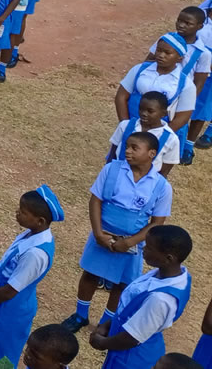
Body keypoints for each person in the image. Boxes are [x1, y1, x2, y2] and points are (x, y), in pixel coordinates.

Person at [61, 132, 172, 333]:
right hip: (103, 233)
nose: (127, 151)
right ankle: (80, 315)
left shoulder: (162, 186)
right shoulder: (111, 169)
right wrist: (98, 234)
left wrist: (129, 242)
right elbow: (95, 200)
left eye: (134, 148)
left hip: (133, 242)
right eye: (127, 146)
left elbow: (157, 222)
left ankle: (106, 322)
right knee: (91, 273)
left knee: (122, 282)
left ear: (151, 153)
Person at [0, 186, 64, 367]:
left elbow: (10, 290)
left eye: (23, 212)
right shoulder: (30, 234)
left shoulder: (36, 254)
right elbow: (5, 266)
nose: (17, 213)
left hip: (10, 311)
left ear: (40, 221)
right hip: (0, 304)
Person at [86, 225, 193, 369]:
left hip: (130, 359)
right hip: (125, 350)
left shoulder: (160, 300)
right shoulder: (174, 275)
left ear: (168, 258)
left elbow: (132, 337)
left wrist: (102, 343)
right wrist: (107, 324)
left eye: (149, 248)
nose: (143, 249)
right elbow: (132, 312)